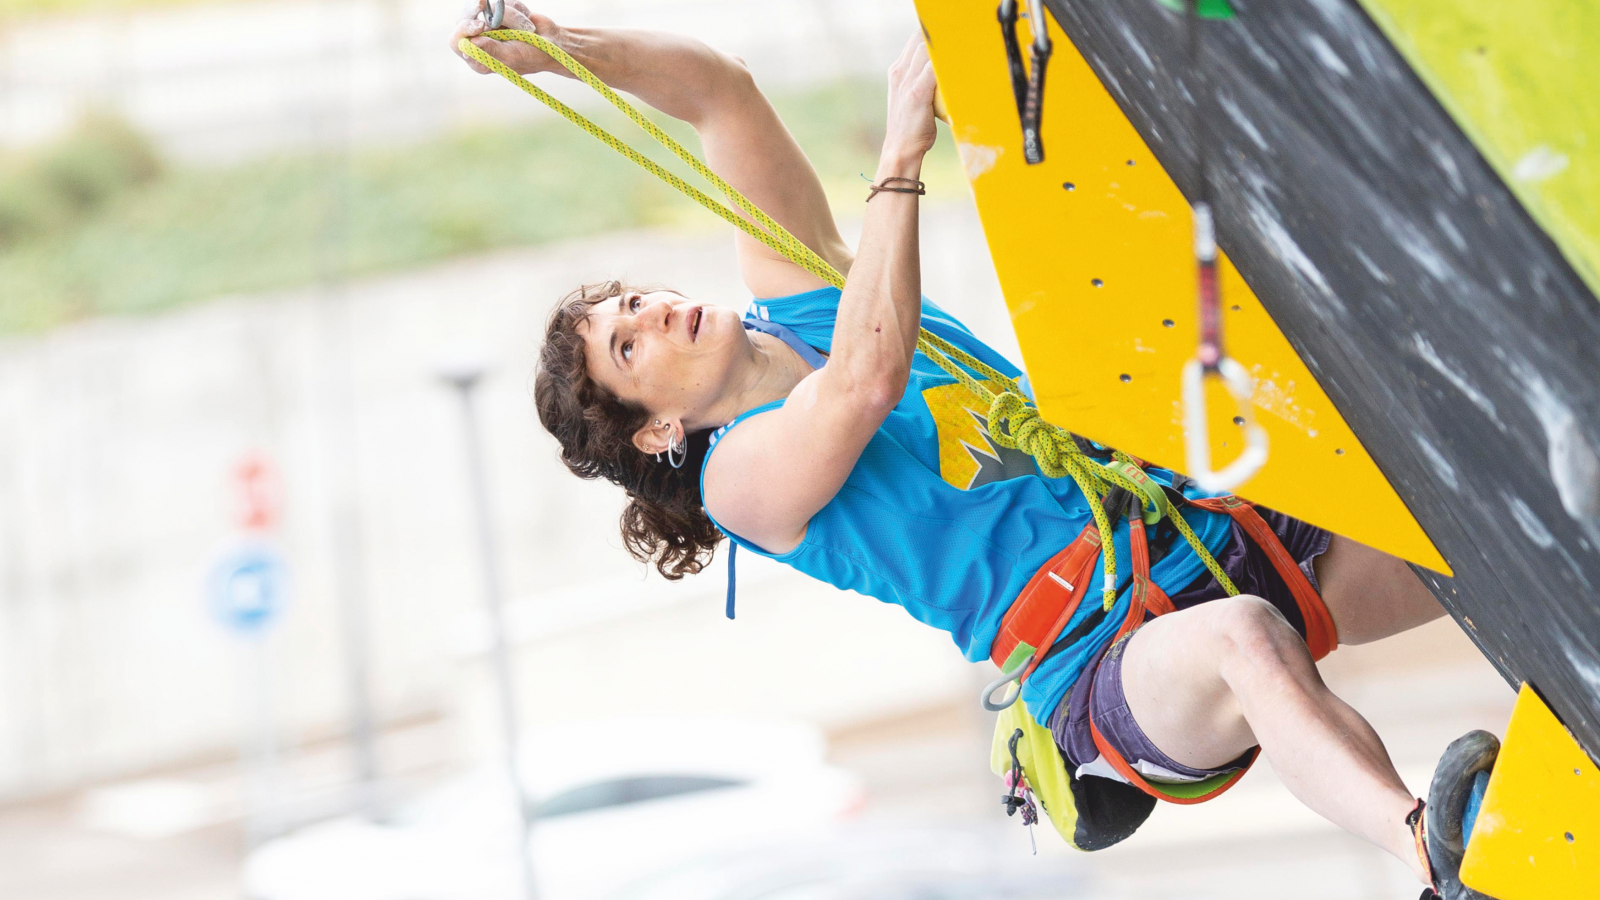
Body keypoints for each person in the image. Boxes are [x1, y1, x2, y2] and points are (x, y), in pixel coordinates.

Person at [451, 4, 1467, 895]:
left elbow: (719, 93)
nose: (657, 313)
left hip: (1186, 528)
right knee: (1242, 636)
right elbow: (863, 383)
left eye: (635, 302)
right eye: (629, 345)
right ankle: (1427, 853)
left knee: (1466, 540)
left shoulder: (798, 303)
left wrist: (557, 48)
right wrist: (897, 159)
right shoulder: (739, 485)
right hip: (1099, 657)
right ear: (658, 431)